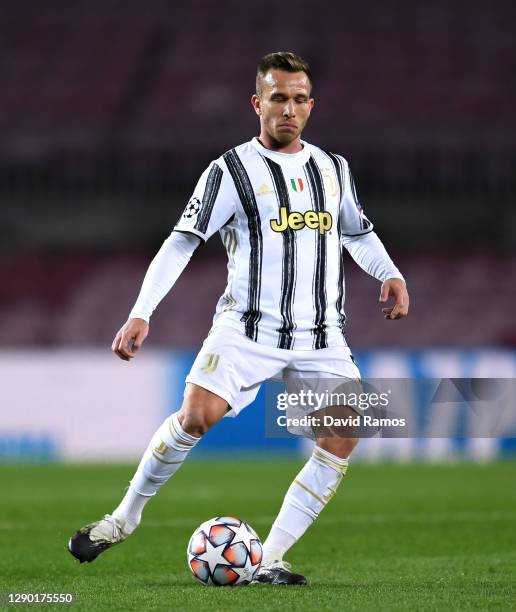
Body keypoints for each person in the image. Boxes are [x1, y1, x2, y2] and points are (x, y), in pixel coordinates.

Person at [68, 51, 409, 585]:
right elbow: (182, 242)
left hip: (321, 335)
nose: (289, 109)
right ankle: (123, 518)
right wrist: (141, 312)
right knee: (197, 416)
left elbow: (357, 232)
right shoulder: (230, 170)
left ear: (311, 105)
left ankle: (266, 558)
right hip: (247, 329)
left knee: (343, 433)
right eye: (278, 98)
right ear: (258, 103)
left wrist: (389, 273)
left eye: (299, 99)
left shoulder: (333, 168)